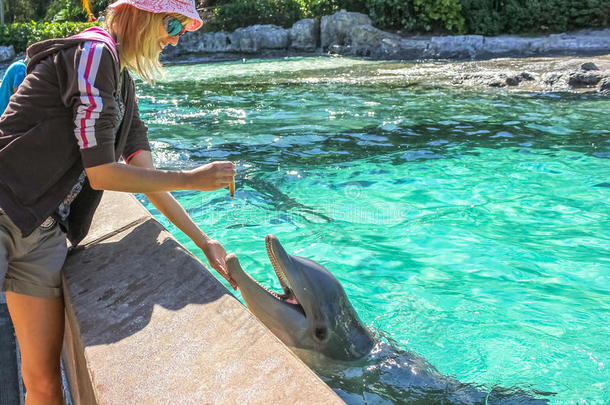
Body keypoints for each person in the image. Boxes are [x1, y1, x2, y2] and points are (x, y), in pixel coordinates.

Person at [0, 1, 237, 404]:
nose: (176, 37)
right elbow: (103, 174)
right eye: (173, 22)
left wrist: (203, 242)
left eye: (184, 28)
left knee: (43, 382)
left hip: (42, 234)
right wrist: (193, 180)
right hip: (5, 207)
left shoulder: (121, 83)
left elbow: (144, 175)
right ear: (139, 15)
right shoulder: (94, 54)